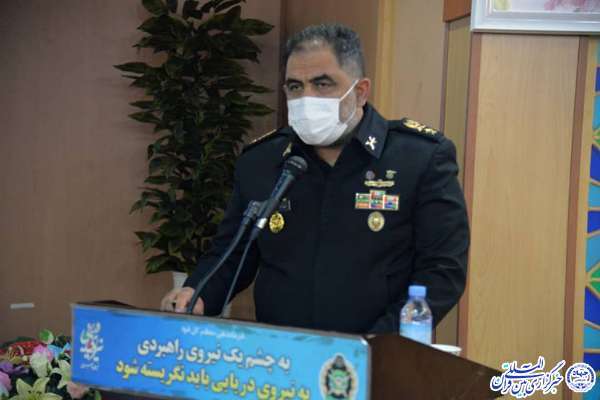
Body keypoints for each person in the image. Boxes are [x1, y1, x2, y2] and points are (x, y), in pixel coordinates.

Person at [160, 23, 468, 334]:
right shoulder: (263, 161)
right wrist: (196, 294)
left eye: (322, 84)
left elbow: (442, 271)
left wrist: (378, 345)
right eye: (295, 87)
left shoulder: (419, 158)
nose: (306, 98)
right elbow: (233, 253)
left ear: (360, 91)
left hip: (378, 351)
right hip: (278, 352)